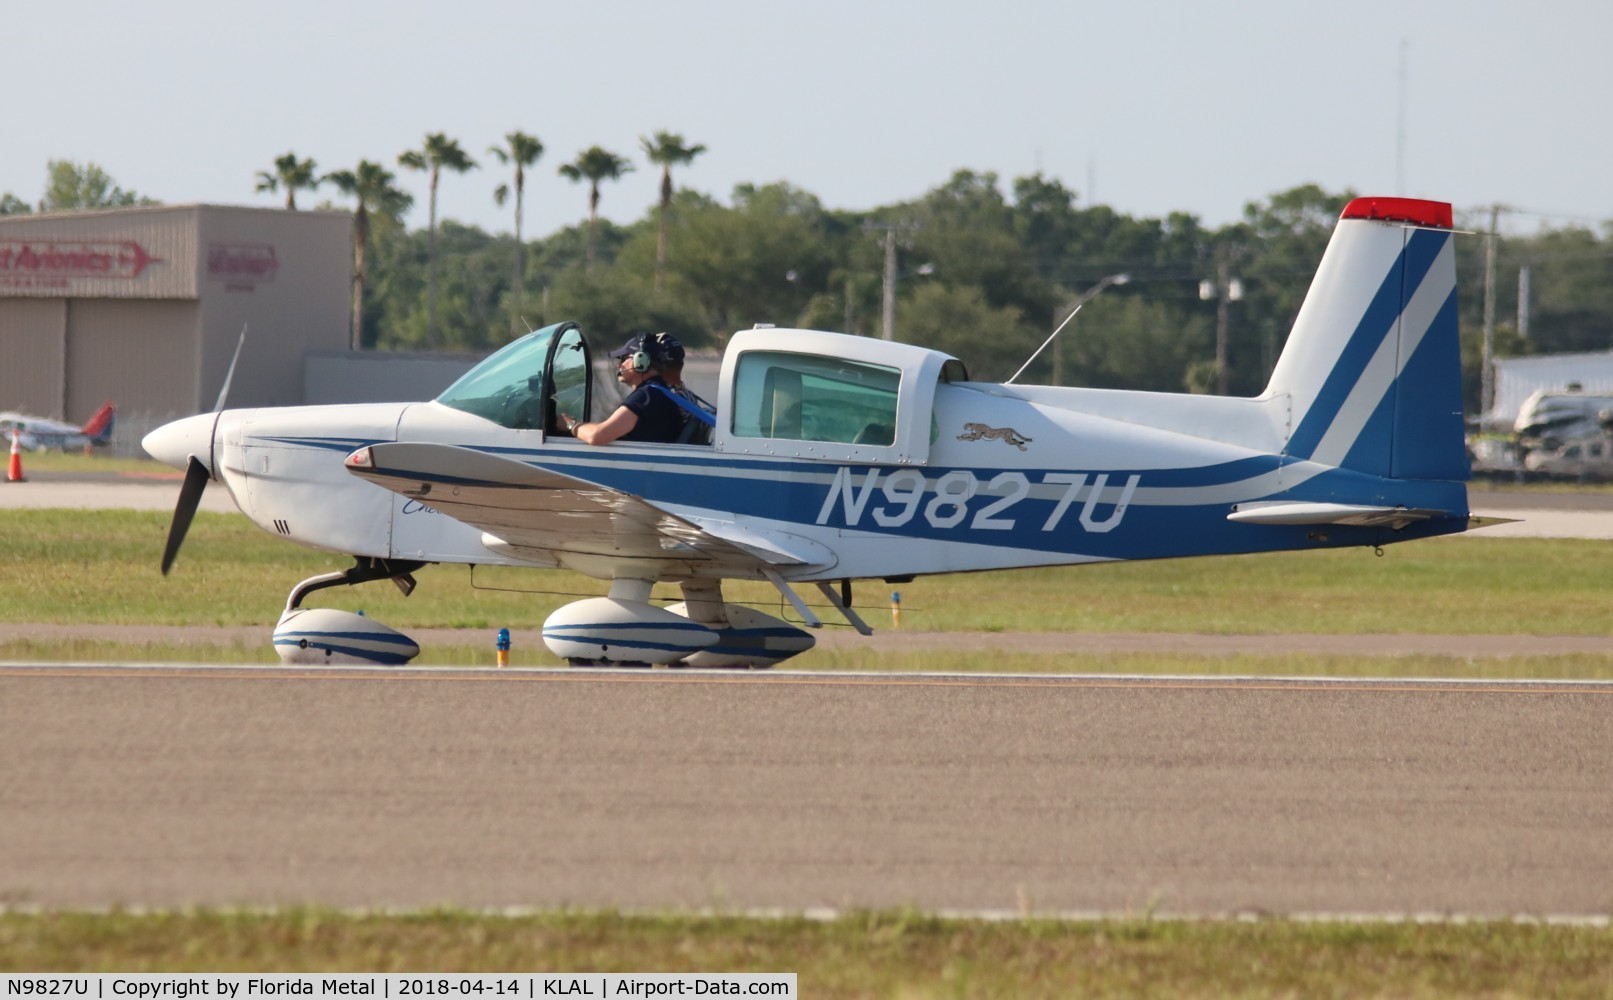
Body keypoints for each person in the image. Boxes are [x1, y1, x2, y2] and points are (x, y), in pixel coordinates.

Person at [559, 334, 685, 445]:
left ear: (640, 360)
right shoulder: (658, 392)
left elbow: (597, 436)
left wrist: (571, 425)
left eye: (624, 359)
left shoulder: (647, 396)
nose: (618, 365)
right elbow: (609, 429)